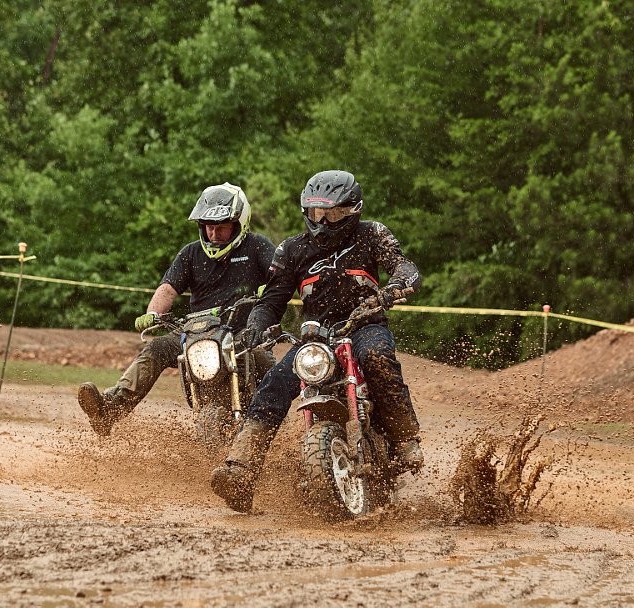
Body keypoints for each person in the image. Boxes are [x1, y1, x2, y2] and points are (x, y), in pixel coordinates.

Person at [210, 169, 424, 513]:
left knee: (377, 356)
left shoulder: (372, 235)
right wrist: (256, 326)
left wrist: (395, 287)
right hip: (317, 335)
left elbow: (404, 267)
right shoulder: (291, 249)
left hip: (365, 325)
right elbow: (272, 300)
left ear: (352, 211)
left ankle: (404, 439)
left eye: (332, 214)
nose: (322, 222)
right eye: (315, 214)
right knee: (275, 382)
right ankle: (241, 470)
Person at [77, 183, 276, 436]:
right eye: (209, 227)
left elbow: (279, 276)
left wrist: (269, 289)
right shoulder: (191, 253)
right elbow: (168, 289)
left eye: (222, 228)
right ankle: (111, 409)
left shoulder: (257, 246)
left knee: (267, 363)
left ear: (239, 224)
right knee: (157, 347)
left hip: (243, 331)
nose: (214, 234)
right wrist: (153, 314)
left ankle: (272, 425)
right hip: (196, 331)